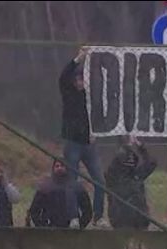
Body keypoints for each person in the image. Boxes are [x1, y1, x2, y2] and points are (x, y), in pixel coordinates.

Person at [60, 47, 107, 227]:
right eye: (78, 79)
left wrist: (95, 132)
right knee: (72, 180)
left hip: (89, 144)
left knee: (100, 181)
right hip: (73, 142)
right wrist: (78, 59)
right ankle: (73, 217)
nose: (80, 82)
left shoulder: (89, 97)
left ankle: (98, 216)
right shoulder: (69, 94)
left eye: (82, 79)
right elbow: (63, 77)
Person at [104, 136, 156, 230]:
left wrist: (141, 148)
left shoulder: (136, 175)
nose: (129, 163)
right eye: (127, 160)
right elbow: (112, 169)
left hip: (140, 220)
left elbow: (151, 163)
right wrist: (126, 147)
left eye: (132, 161)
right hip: (121, 221)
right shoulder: (114, 177)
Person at [29, 159, 92, 229]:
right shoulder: (45, 188)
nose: (59, 168)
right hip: (50, 229)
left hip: (72, 230)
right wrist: (42, 227)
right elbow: (34, 210)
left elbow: (87, 210)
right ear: (53, 168)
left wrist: (81, 225)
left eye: (62, 166)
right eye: (57, 166)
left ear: (66, 168)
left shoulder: (77, 187)